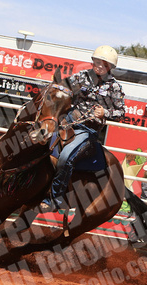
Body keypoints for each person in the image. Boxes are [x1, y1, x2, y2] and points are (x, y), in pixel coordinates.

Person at [41, 45, 125, 211]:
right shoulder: (82, 76)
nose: (98, 65)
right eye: (97, 61)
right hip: (67, 121)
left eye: (103, 63)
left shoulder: (115, 87)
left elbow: (121, 112)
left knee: (65, 157)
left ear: (109, 67)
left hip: (87, 130)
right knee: (39, 142)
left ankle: (54, 199)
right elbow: (65, 89)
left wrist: (105, 112)